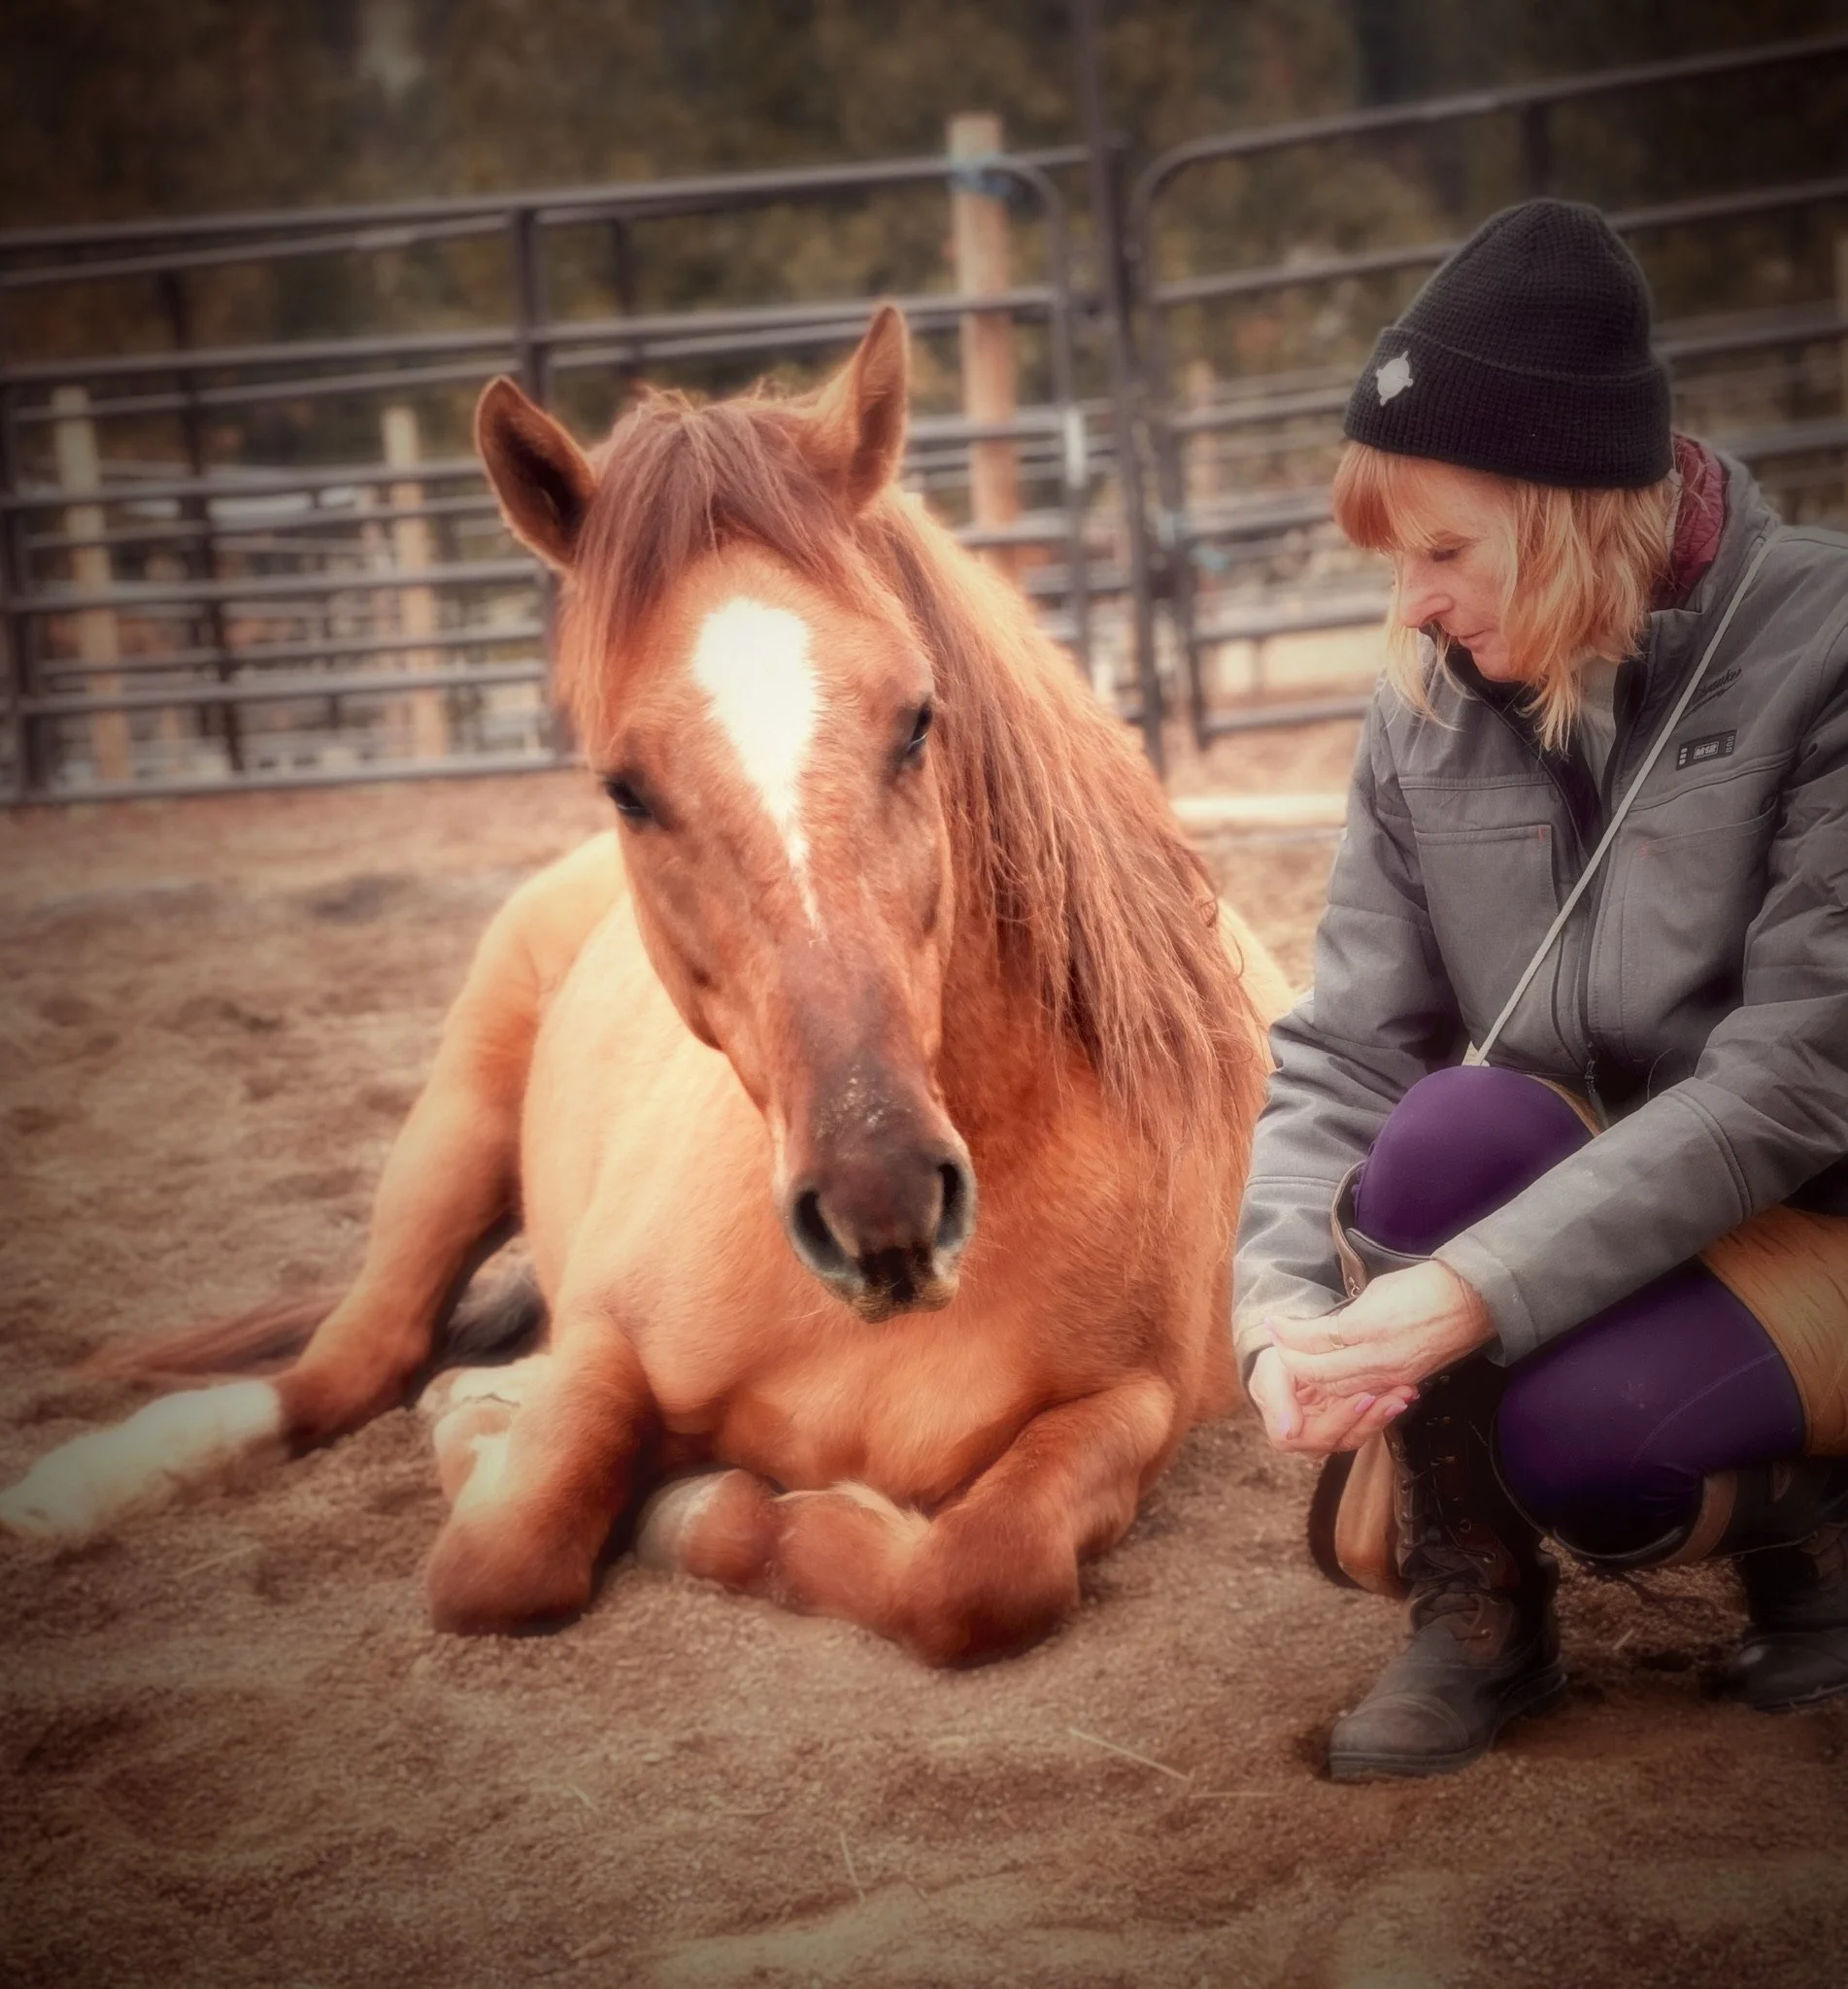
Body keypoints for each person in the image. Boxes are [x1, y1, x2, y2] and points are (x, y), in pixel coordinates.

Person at [1231, 197, 1848, 1780]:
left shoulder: (1823, 647)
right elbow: (1341, 1051)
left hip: (1808, 1208)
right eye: (1399, 558)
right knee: (1437, 1125)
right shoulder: (1427, 700)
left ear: (1575, 507)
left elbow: (1788, 1081)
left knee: (1581, 1441)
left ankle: (1816, 1534)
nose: (1414, 603)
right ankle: (1479, 1611)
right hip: (1573, 1195)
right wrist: (1277, 1322)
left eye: (1445, 549)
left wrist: (1456, 1297)